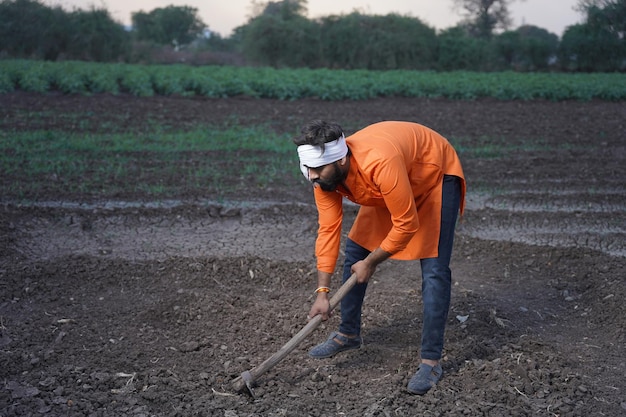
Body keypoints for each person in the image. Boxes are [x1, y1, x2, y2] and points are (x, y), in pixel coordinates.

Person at [293, 120, 465, 395]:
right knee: (355, 250)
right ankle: (348, 334)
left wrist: (372, 262)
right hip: (392, 181)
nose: (312, 176)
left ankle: (430, 361)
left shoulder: (379, 163)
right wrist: (322, 292)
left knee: (434, 270)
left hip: (433, 175)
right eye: (308, 169)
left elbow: (407, 224)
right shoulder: (325, 180)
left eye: (317, 169)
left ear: (340, 161)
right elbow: (327, 231)